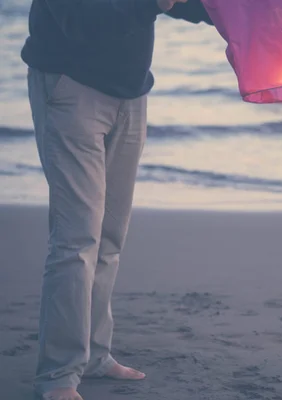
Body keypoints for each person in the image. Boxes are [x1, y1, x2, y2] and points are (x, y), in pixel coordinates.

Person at [21, 1, 213, 399]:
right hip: (71, 87)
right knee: (77, 240)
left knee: (109, 236)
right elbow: (81, 22)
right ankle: (58, 376)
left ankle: (93, 355)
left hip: (130, 93)